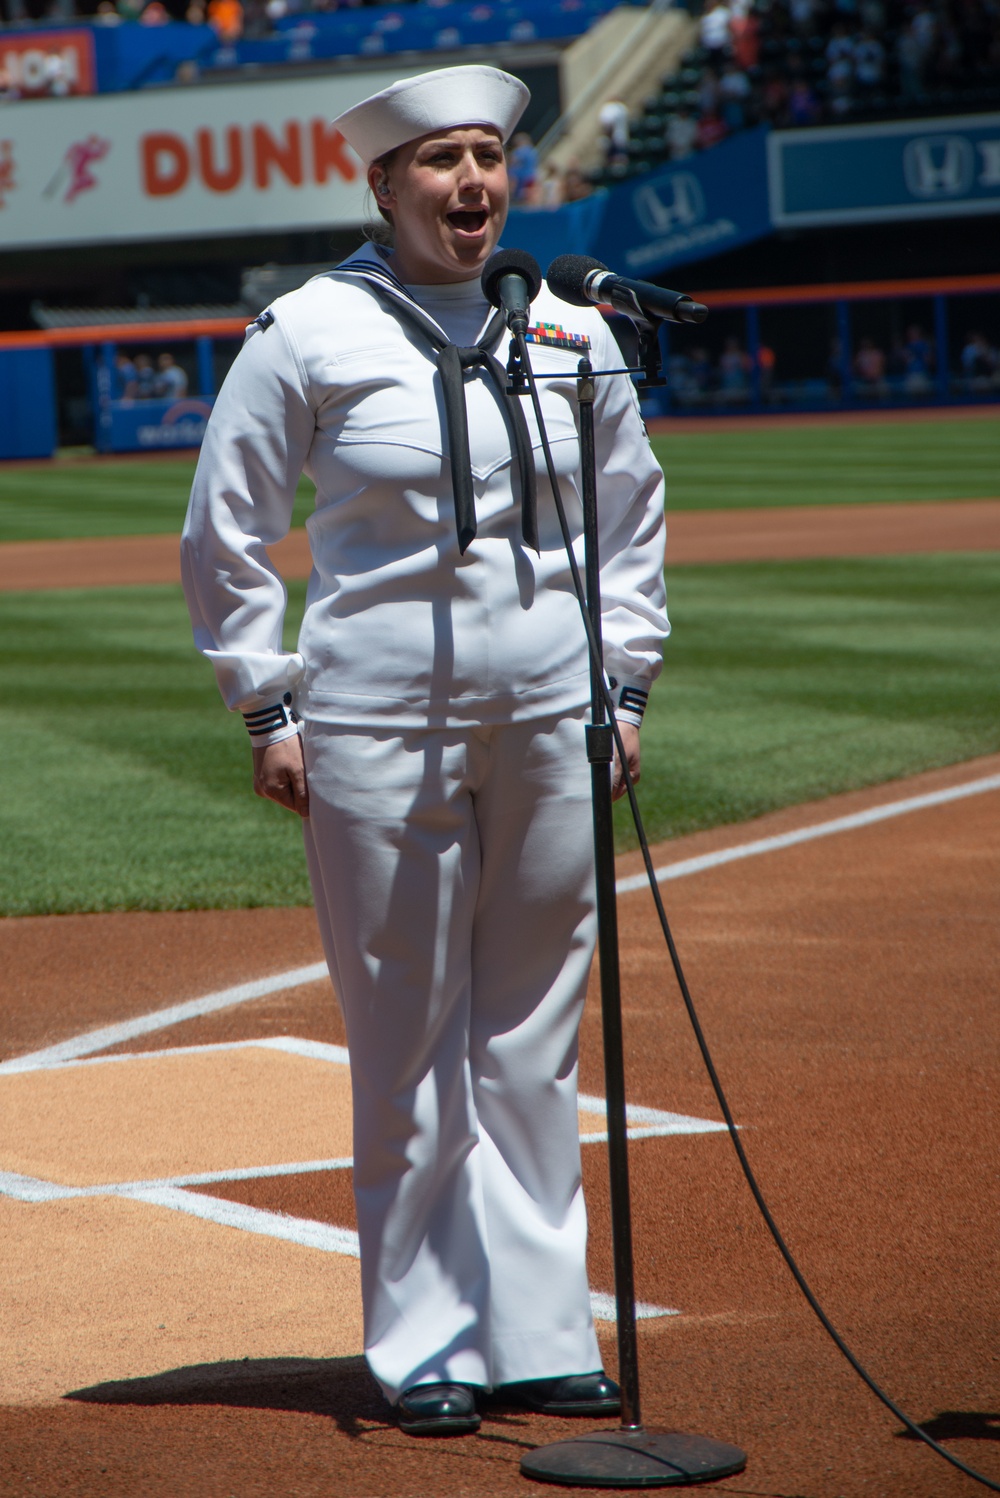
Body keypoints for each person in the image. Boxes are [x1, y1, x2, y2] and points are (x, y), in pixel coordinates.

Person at [181, 64, 667, 1439]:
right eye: (441, 162)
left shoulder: (574, 330)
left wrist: (624, 684)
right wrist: (266, 702)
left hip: (552, 721)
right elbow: (225, 528)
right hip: (377, 724)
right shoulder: (309, 331)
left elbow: (630, 522)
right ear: (382, 185)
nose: (472, 185)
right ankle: (424, 1340)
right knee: (406, 1038)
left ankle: (537, 1332)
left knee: (530, 1035)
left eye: (488, 159)